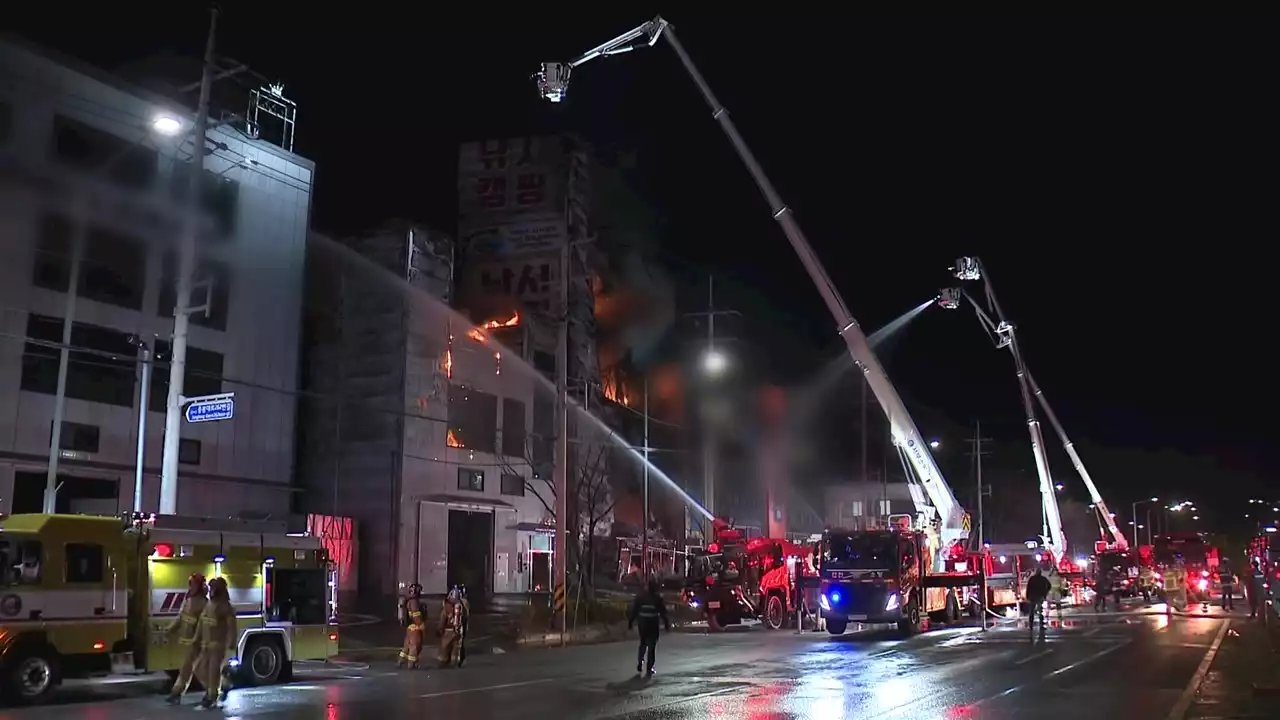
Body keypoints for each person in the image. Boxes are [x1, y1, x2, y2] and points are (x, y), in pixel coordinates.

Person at [164, 573, 208, 705]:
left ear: (199, 586)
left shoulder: (204, 604)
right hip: (190, 642)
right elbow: (181, 618)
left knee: (194, 670)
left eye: (193, 584)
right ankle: (220, 687)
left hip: (197, 642)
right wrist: (169, 629)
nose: (191, 586)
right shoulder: (189, 601)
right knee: (190, 669)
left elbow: (204, 625)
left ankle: (177, 693)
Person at [196, 576, 236, 710]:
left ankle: (211, 697)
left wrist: (231, 643)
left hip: (217, 645)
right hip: (206, 645)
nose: (211, 590)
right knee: (199, 670)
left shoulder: (225, 607)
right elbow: (202, 623)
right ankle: (223, 685)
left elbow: (231, 626)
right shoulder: (209, 605)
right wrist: (197, 638)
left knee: (213, 673)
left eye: (214, 587)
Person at [628, 578, 670, 676]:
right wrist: (667, 624)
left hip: (642, 624)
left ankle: (640, 662)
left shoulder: (640, 597)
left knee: (643, 643)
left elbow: (634, 611)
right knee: (651, 646)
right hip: (652, 624)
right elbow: (663, 613)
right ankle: (649, 667)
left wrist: (630, 622)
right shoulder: (657, 598)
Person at [437, 585, 470, 668]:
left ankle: (444, 662)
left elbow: (443, 619)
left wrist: (440, 629)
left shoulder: (446, 607)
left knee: (445, 647)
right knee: (457, 648)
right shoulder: (462, 607)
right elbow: (465, 619)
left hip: (448, 631)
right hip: (458, 631)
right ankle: (456, 662)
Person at [397, 583, 426, 669]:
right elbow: (416, 615)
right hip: (415, 627)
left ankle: (400, 661)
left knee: (406, 646)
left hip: (410, 627)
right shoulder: (414, 602)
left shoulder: (408, 600)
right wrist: (421, 624)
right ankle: (411, 664)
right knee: (415, 646)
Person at [1025, 569, 1051, 642]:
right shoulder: (1043, 579)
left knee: (1031, 612)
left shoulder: (1032, 579)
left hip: (1032, 597)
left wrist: (1027, 596)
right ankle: (1041, 625)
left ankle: (1031, 626)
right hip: (1040, 596)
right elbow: (1049, 585)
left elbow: (1028, 587)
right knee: (1040, 611)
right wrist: (1045, 593)